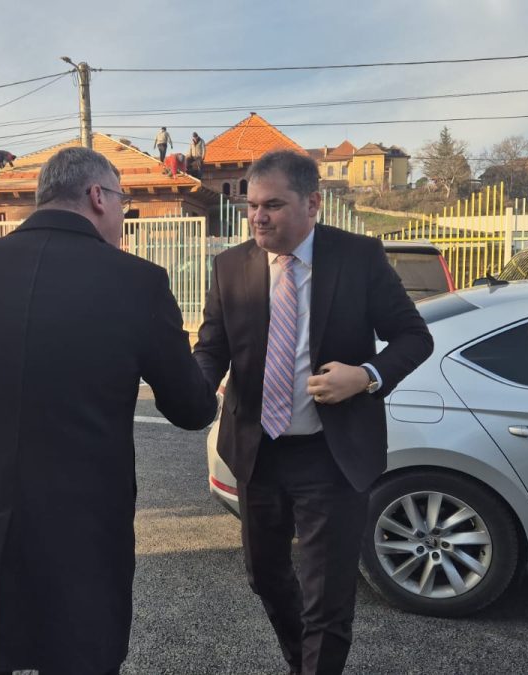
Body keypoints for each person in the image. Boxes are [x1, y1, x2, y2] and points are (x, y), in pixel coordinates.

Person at [0, 146, 217, 675]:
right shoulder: (138, 282)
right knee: (80, 656)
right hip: (82, 528)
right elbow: (191, 408)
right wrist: (212, 354)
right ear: (98, 196)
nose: (122, 215)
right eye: (122, 202)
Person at [193, 150, 433, 674]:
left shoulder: (358, 257)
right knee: (265, 577)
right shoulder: (230, 265)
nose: (258, 217)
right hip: (259, 451)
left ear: (313, 204)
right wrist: (195, 386)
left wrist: (365, 376)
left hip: (331, 454)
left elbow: (414, 337)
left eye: (273, 205)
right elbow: (212, 348)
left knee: (328, 597)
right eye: (252, 206)